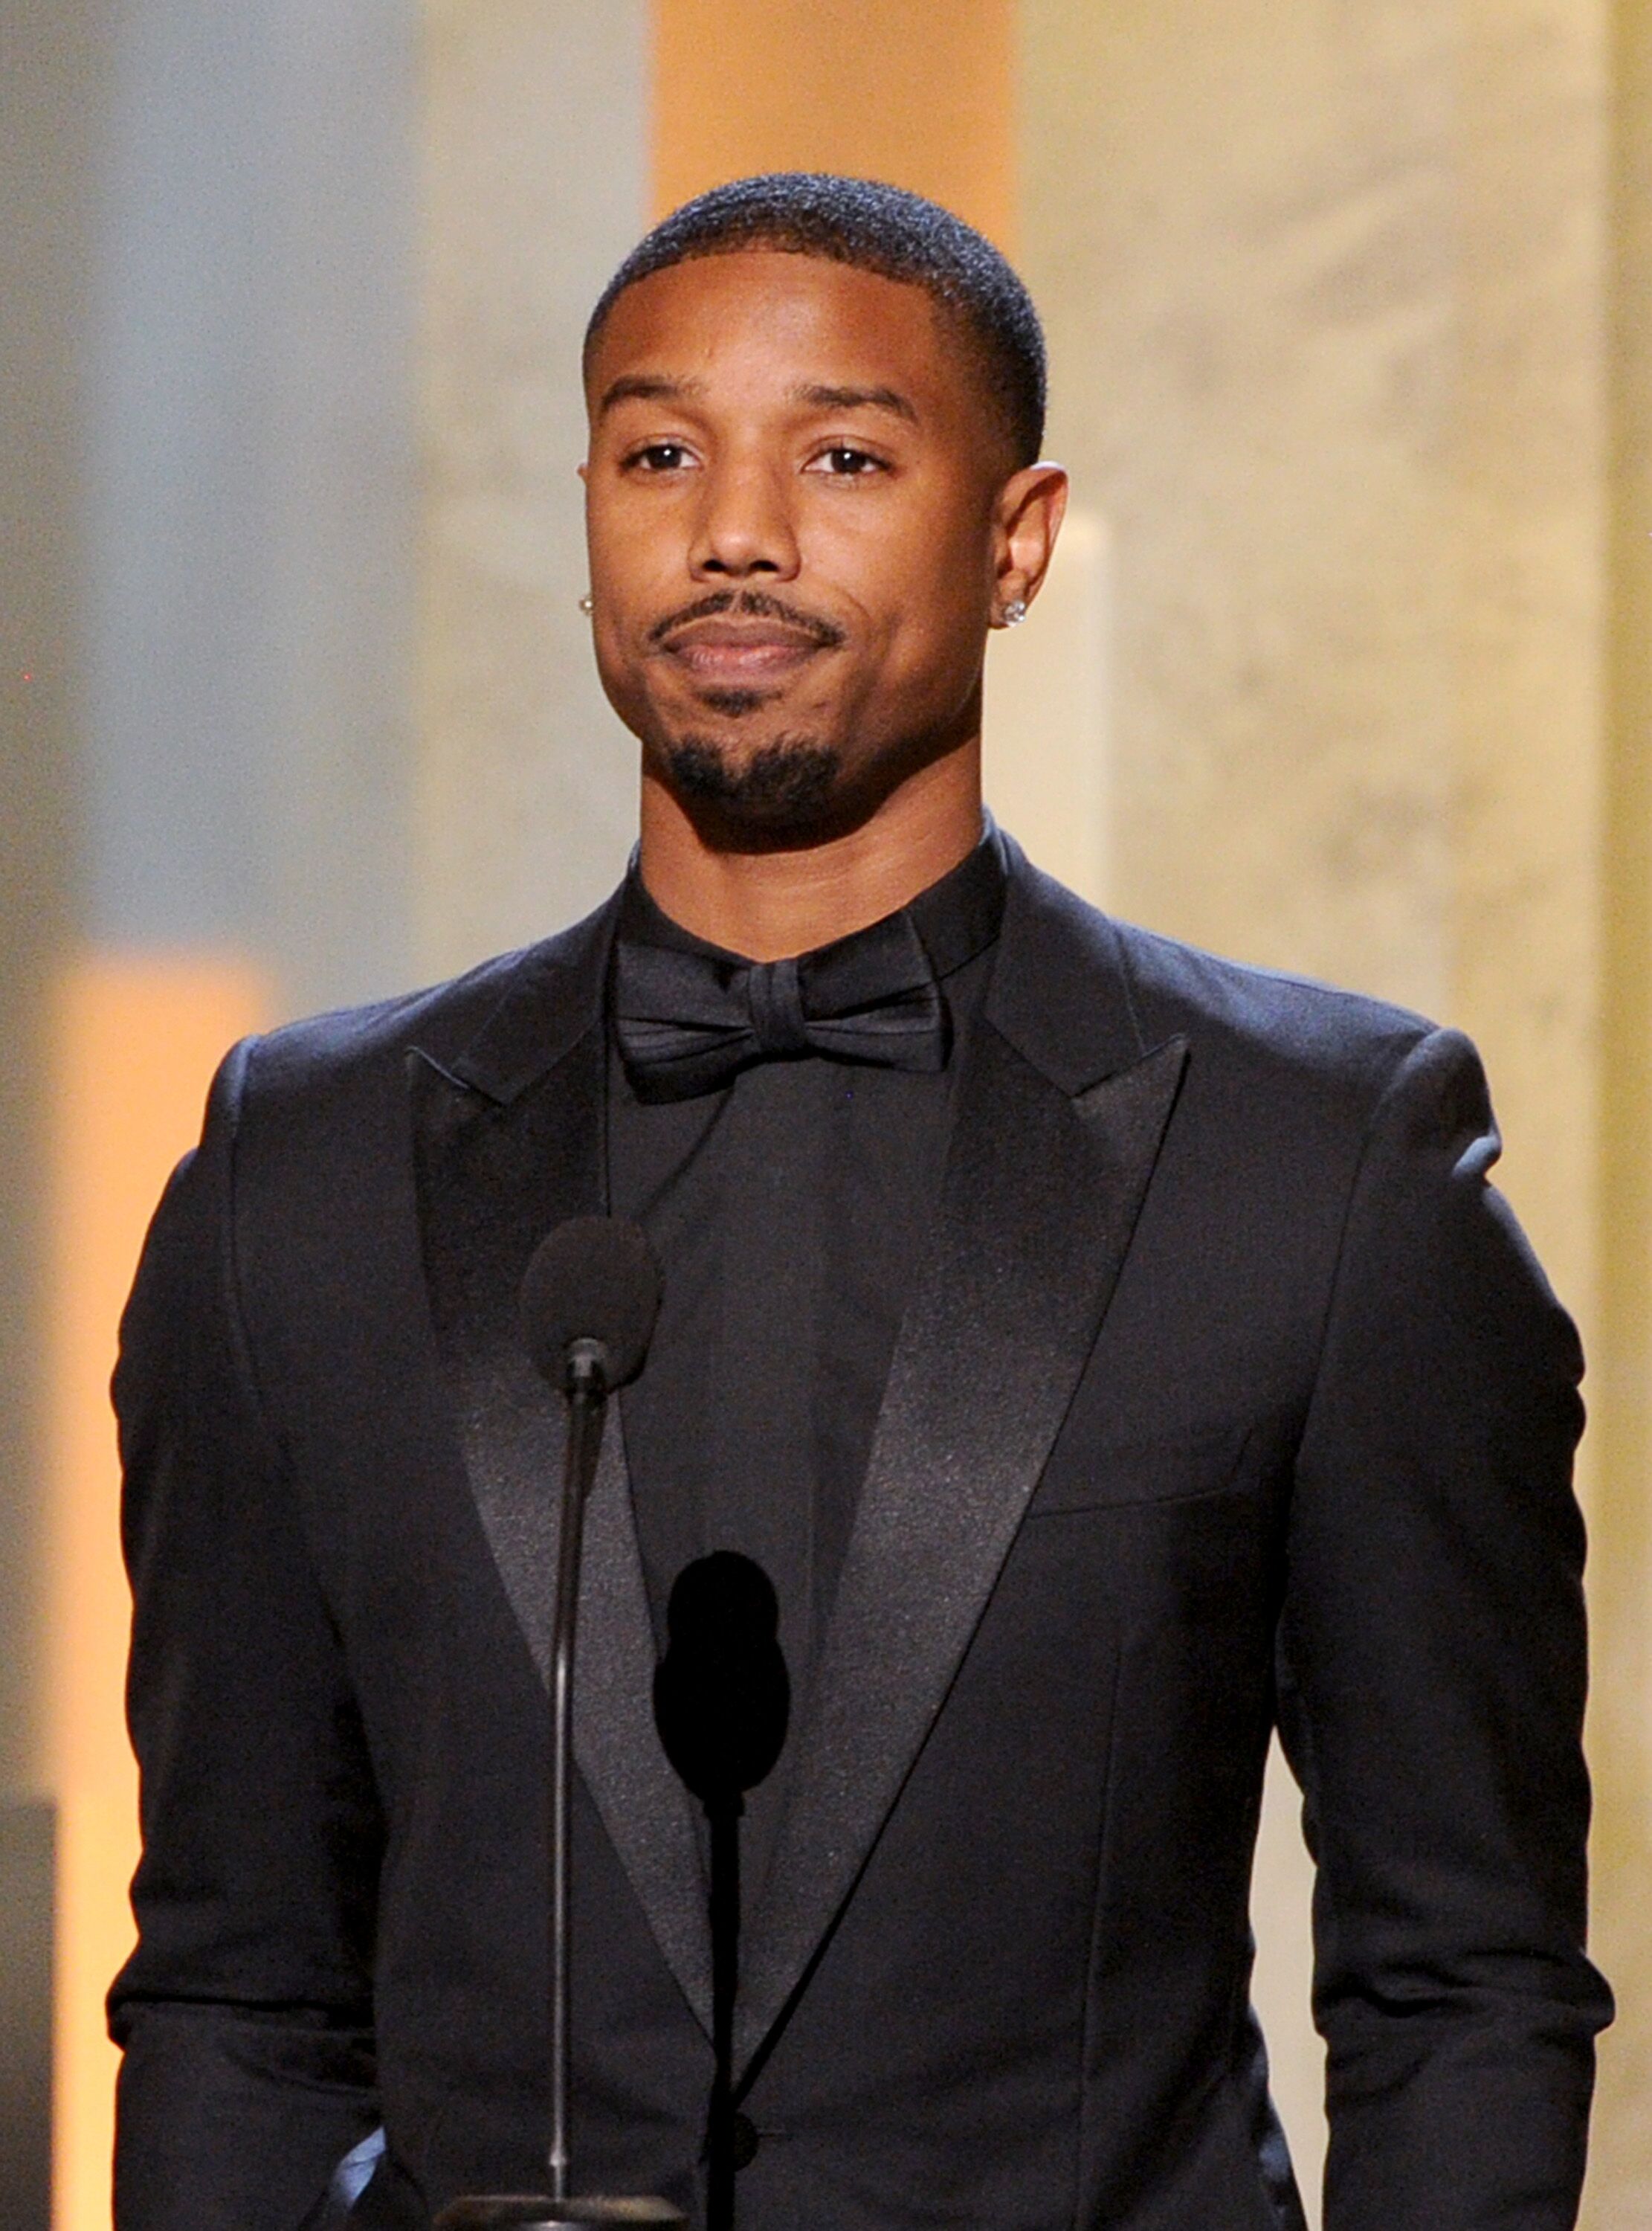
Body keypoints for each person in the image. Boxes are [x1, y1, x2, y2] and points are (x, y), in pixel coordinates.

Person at [109, 174, 1611, 2231]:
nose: (736, 528)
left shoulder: (1323, 1163)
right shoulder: (307, 1164)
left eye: (841, 454)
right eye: (658, 453)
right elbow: (236, 1991)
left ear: (1017, 540)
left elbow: (1463, 1985)